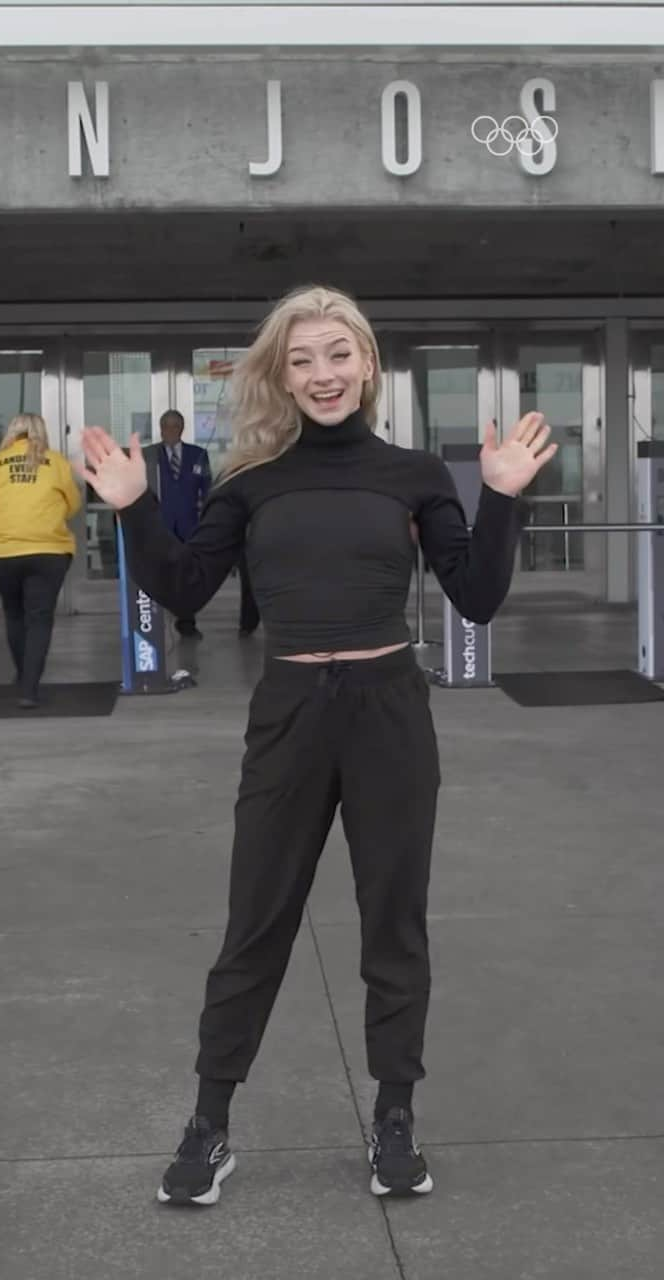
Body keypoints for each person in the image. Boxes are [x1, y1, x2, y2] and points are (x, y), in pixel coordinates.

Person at [78, 285, 557, 1207]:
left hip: (388, 713)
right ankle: (210, 1124)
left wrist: (497, 499)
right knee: (254, 923)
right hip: (291, 710)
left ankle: (395, 1121)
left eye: (337, 354)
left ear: (367, 364)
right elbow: (184, 589)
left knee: (394, 925)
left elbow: (479, 596)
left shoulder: (415, 476)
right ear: (281, 376)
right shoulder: (252, 485)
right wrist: (135, 508)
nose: (322, 373)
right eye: (301, 360)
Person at [0, 412, 80, 708]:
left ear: (12, 432)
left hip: (4, 553)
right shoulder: (56, 462)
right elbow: (73, 503)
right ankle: (29, 689)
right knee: (39, 618)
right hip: (48, 552)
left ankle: (24, 675)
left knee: (14, 615)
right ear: (41, 432)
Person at [143, 410, 212, 637]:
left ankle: (186, 621)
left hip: (188, 526)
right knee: (157, 575)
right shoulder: (148, 455)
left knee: (185, 577)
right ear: (160, 429)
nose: (170, 431)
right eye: (166, 426)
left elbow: (207, 490)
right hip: (158, 526)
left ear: (182, 429)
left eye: (175, 426)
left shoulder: (198, 455)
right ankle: (151, 621)